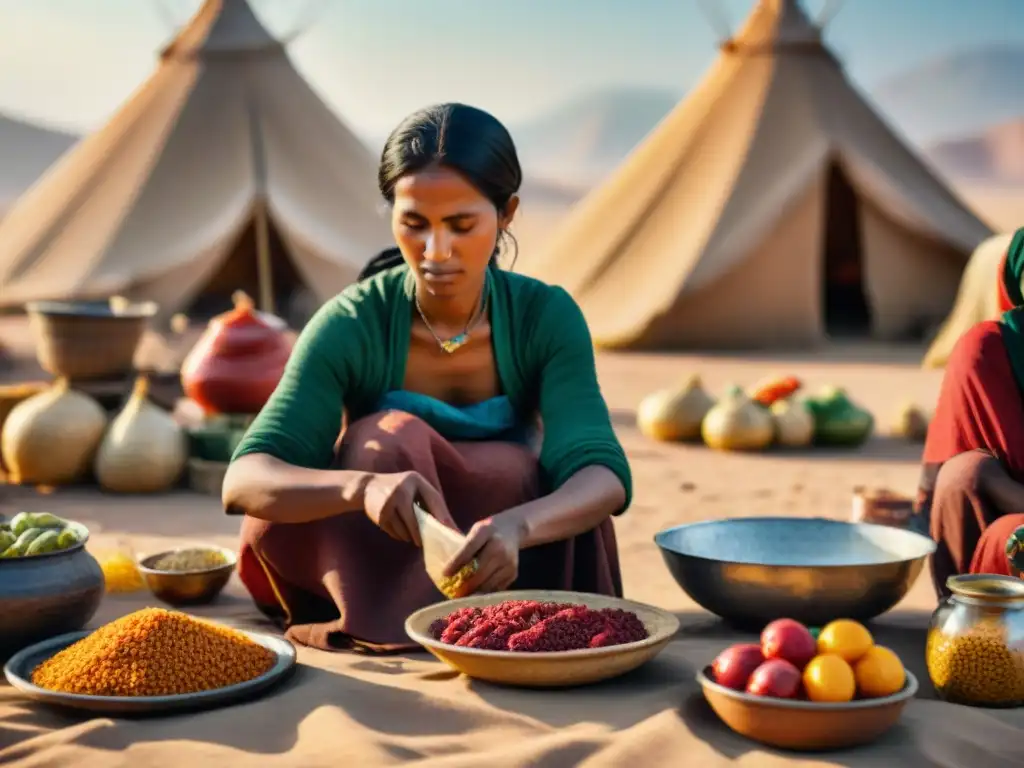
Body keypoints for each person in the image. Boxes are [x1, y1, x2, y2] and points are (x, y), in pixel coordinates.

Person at [222, 104, 632, 652]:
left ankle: (488, 615)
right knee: (385, 440)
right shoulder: (353, 322)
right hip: (377, 556)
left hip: (515, 563)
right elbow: (244, 480)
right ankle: (382, 618)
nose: (436, 252)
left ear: (506, 214)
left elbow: (601, 475)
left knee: (512, 468)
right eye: (414, 224)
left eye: (462, 225)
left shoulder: (544, 318)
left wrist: (519, 527)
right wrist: (362, 487)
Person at [920, 227, 1024, 597]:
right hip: (1009, 524)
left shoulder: (987, 348)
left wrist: (998, 486)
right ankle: (974, 635)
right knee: (965, 476)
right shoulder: (992, 350)